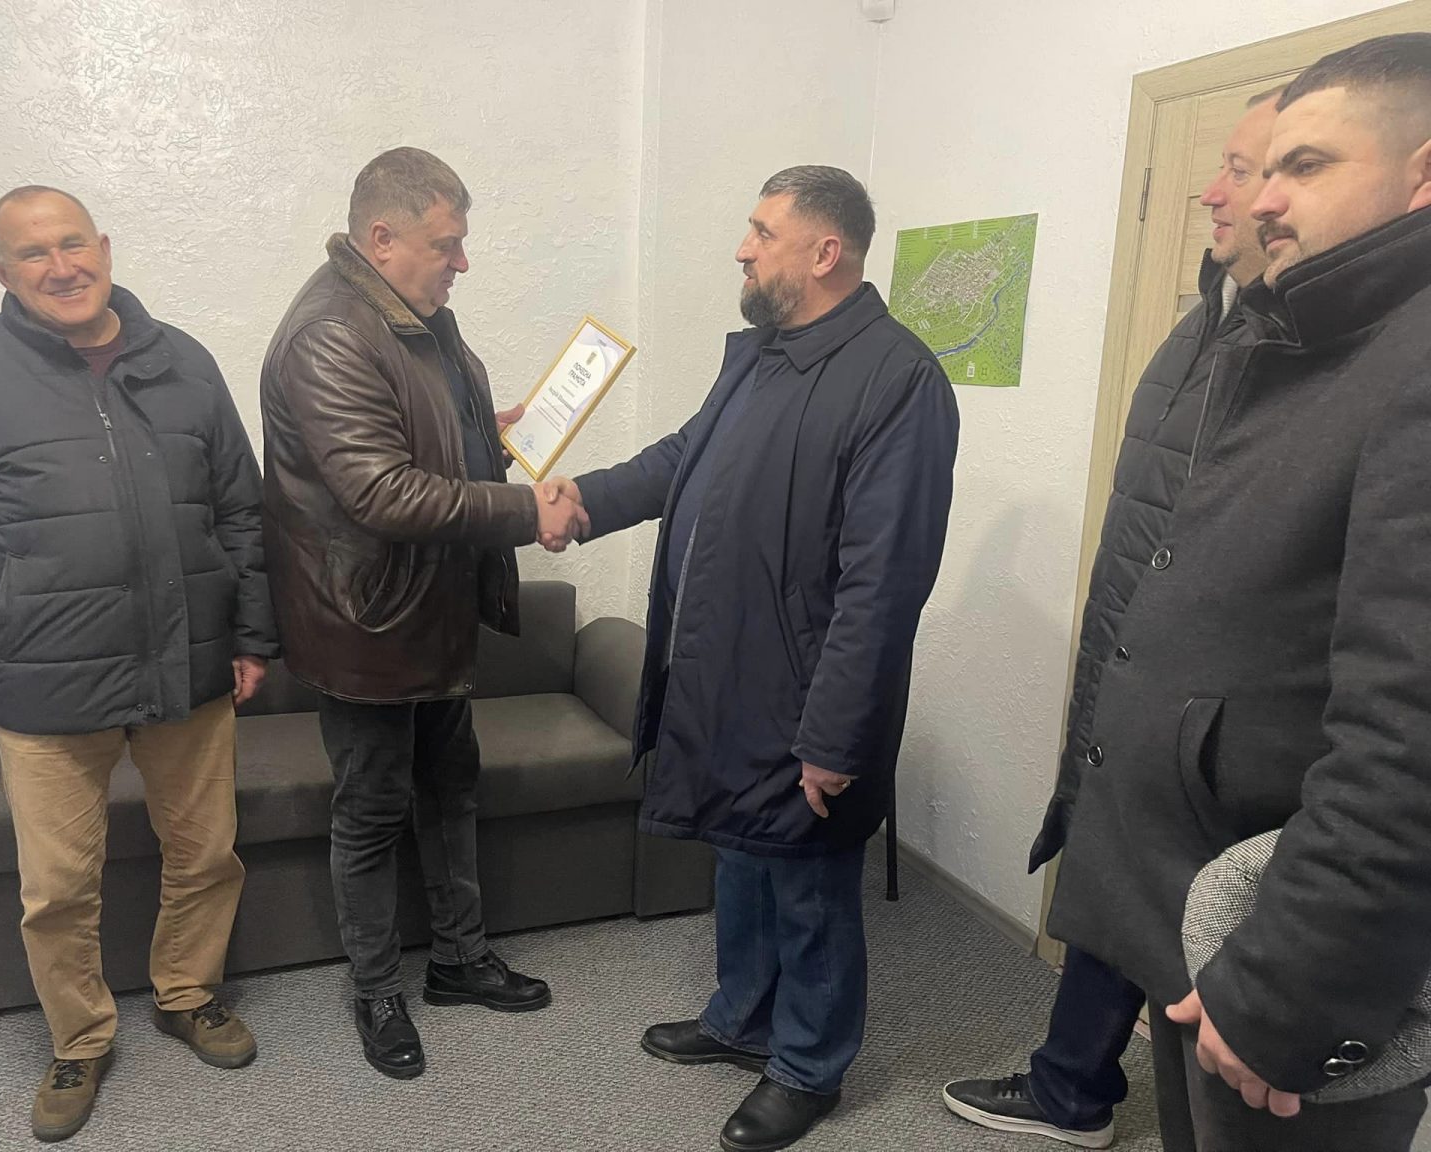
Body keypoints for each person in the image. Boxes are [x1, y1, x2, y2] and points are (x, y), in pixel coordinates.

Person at [1048, 33, 1431, 1152]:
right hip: (1206, 904)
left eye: (1305, 165)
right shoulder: (1308, 337)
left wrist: (1285, 988)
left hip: (1283, 944)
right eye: (1262, 169)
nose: (1262, 199)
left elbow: (1411, 731)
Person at [550, 165, 958, 1152]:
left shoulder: (898, 380)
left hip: (809, 694)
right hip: (729, 671)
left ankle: (810, 1065)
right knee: (741, 859)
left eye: (762, 232)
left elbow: (883, 582)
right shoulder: (763, 357)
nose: (743, 248)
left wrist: (835, 737)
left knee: (810, 885)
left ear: (825, 252)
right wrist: (584, 500)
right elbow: (682, 456)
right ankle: (741, 1017)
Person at [0, 186, 276, 1142]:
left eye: (74, 244)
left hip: (187, 666)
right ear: (0, 272)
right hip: (42, 679)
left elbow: (241, 510)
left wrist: (251, 634)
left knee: (207, 854)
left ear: (104, 247)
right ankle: (79, 1037)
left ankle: (188, 992)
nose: (61, 267)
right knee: (59, 887)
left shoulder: (184, 360)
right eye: (33, 254)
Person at [941, 90, 1282, 1150]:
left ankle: (1087, 1091)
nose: (1211, 190)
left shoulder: (1312, 352)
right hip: (1135, 664)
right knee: (1111, 865)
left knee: (1199, 931)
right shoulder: (1205, 324)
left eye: (1244, 168)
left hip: (1219, 707)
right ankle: (1072, 1088)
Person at [258, 147, 587, 1081]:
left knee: (450, 785)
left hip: (432, 608)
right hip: (364, 625)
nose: (462, 263)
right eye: (448, 245)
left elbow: (423, 435)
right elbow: (381, 491)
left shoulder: (416, 312)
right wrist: (525, 510)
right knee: (372, 809)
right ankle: (375, 990)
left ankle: (458, 959)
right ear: (382, 238)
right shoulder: (328, 334)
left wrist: (493, 432)